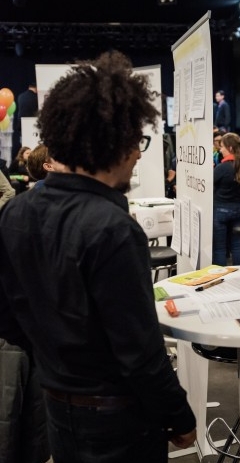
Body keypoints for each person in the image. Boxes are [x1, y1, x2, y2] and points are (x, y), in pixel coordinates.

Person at [0, 50, 196, 463]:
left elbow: (8, 316)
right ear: (113, 142)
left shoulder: (15, 212)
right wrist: (179, 417)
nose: (140, 154)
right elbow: (140, 353)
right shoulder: (113, 229)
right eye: (136, 141)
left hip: (55, 405)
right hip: (118, 421)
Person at [213, 132, 240, 265]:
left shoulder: (222, 168)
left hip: (221, 211)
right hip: (239, 210)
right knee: (236, 245)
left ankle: (222, 278)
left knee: (220, 249)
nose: (220, 149)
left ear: (230, 148)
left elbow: (211, 186)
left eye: (222, 147)